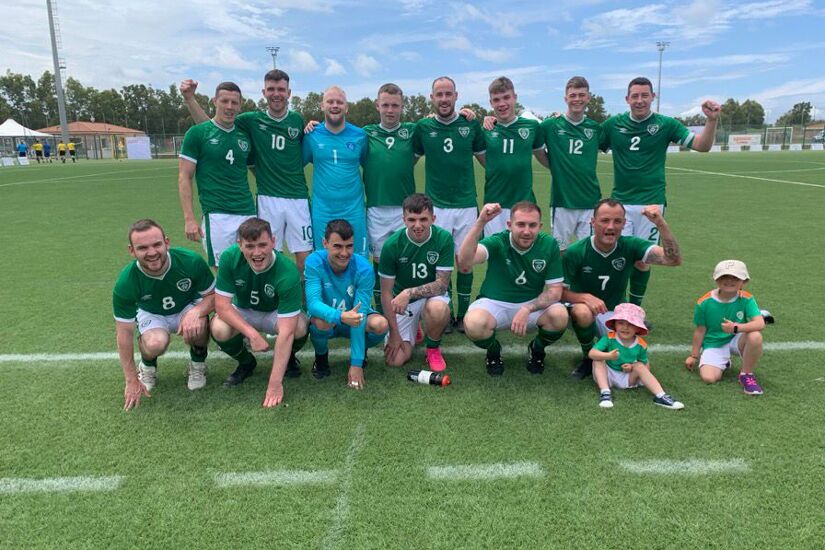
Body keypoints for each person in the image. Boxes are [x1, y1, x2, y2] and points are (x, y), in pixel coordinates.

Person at [600, 77, 720, 307]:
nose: (640, 100)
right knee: (618, 257)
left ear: (653, 97)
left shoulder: (666, 124)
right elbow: (587, 142)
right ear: (627, 99)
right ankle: (615, 307)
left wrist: (711, 121)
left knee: (643, 260)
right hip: (620, 203)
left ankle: (634, 309)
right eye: (635, 96)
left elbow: (702, 146)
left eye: (644, 95)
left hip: (651, 204)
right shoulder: (613, 124)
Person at [181, 72, 313, 274]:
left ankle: (301, 303)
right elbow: (210, 127)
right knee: (263, 260)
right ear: (263, 92)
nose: (229, 107)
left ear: (289, 93)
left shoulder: (296, 120)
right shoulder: (250, 120)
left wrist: (312, 126)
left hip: (284, 202)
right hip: (258, 202)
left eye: (280, 89)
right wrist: (190, 99)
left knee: (302, 261)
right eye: (271, 89)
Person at [563, 199, 682, 379]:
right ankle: (588, 356)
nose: (611, 226)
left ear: (624, 224)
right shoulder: (576, 251)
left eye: (617, 221)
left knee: (628, 357)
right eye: (604, 220)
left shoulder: (630, 245)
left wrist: (660, 223)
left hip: (615, 315)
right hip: (581, 313)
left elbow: (673, 260)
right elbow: (558, 292)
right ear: (592, 222)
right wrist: (584, 297)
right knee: (582, 312)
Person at [113, 219, 215, 410]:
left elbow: (213, 296)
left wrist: (197, 311)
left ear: (166, 242)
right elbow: (124, 333)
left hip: (187, 306)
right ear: (131, 250)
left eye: (157, 244)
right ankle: (147, 367)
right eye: (142, 248)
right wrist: (131, 379)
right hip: (152, 312)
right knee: (155, 343)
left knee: (199, 325)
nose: (152, 252)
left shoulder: (190, 261)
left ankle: (198, 365)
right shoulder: (126, 282)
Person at [458, 202, 568, 376]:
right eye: (520, 224)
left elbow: (555, 291)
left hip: (531, 306)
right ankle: (493, 350)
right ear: (509, 225)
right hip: (494, 304)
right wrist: (480, 222)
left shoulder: (549, 245)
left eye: (532, 225)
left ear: (540, 226)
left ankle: (537, 349)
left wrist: (528, 308)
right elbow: (464, 263)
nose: (526, 231)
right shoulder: (498, 241)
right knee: (473, 323)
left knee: (560, 316)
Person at [210, 218, 309, 407]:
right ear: (240, 245)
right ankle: (246, 362)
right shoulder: (229, 258)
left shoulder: (287, 271)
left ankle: (287, 359)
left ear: (273, 241)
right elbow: (222, 306)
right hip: (243, 310)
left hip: (274, 312)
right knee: (219, 328)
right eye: (250, 246)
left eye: (262, 245)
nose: (257, 253)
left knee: (299, 327)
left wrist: (274, 385)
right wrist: (252, 334)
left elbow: (287, 332)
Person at [414, 76, 486, 332]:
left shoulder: (470, 124)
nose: (444, 99)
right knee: (442, 263)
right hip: (437, 207)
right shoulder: (422, 127)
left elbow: (486, 158)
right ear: (431, 98)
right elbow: (407, 158)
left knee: (464, 262)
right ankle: (445, 313)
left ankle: (464, 315)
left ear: (456, 96)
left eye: (448, 94)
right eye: (439, 95)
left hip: (466, 204)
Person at [178, 81, 255, 267]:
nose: (229, 107)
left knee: (251, 270)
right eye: (224, 101)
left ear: (240, 104)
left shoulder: (244, 136)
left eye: (234, 103)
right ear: (214, 101)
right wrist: (189, 218)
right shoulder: (196, 134)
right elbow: (184, 177)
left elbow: (256, 170)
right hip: (217, 215)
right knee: (223, 273)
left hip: (247, 212)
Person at [304, 219, 388, 390]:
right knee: (320, 323)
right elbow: (313, 304)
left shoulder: (364, 268)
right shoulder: (314, 262)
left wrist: (356, 364)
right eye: (337, 246)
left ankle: (361, 352)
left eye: (349, 246)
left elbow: (360, 314)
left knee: (381, 324)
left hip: (354, 319)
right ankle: (321, 357)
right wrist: (341, 316)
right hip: (331, 321)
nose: (344, 253)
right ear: (325, 243)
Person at [379, 194, 454, 371]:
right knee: (394, 359)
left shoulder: (443, 238)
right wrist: (395, 335)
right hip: (403, 304)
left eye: (423, 219)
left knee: (437, 310)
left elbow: (442, 285)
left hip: (433, 298)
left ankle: (433, 349)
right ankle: (414, 327)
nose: (418, 225)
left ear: (433, 219)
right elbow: (386, 293)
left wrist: (409, 292)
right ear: (403, 219)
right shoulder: (392, 245)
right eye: (412, 219)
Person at [362, 83, 418, 310]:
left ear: (402, 107)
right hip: (376, 207)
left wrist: (467, 113)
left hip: (405, 210)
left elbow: (439, 123)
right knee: (379, 261)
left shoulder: (413, 130)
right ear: (377, 105)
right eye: (385, 105)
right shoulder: (365, 133)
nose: (390, 110)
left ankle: (409, 307)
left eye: (395, 105)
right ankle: (381, 307)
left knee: (406, 260)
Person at [303, 87, 369, 257]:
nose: (335, 105)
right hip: (323, 209)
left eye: (339, 102)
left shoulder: (360, 135)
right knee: (323, 259)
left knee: (357, 258)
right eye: (330, 102)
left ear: (346, 107)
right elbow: (305, 160)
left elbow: (365, 161)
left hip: (353, 208)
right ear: (322, 106)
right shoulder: (312, 134)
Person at [540, 76, 603, 251]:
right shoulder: (550, 125)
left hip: (590, 202)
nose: (577, 99)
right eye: (573, 95)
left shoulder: (595, 128)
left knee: (589, 252)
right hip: (562, 203)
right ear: (565, 98)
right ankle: (562, 280)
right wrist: (553, 165)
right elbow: (536, 148)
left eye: (581, 95)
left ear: (588, 97)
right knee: (560, 253)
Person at [685, 260, 766, 395]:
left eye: (735, 278)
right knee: (709, 378)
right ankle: (724, 362)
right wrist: (693, 355)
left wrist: (736, 328)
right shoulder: (704, 302)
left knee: (755, 335)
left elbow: (760, 323)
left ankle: (746, 374)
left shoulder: (747, 299)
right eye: (724, 277)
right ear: (716, 279)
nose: (729, 281)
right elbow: (700, 330)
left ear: (744, 281)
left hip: (737, 338)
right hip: (714, 343)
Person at [479, 77, 545, 237]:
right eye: (496, 100)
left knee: (524, 254)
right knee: (495, 255)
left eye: (506, 97)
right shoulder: (486, 130)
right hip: (494, 205)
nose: (502, 103)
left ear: (515, 97)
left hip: (524, 204)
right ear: (491, 102)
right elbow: (486, 162)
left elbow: (542, 156)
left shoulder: (532, 127)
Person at [589, 302, 684, 410]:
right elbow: (592, 354)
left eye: (630, 324)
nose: (625, 327)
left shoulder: (641, 344)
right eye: (621, 323)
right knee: (597, 360)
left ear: (638, 328)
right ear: (614, 324)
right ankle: (605, 393)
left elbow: (644, 365)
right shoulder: (609, 338)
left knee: (639, 365)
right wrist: (608, 356)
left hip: (628, 378)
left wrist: (632, 368)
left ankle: (660, 396)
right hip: (608, 376)